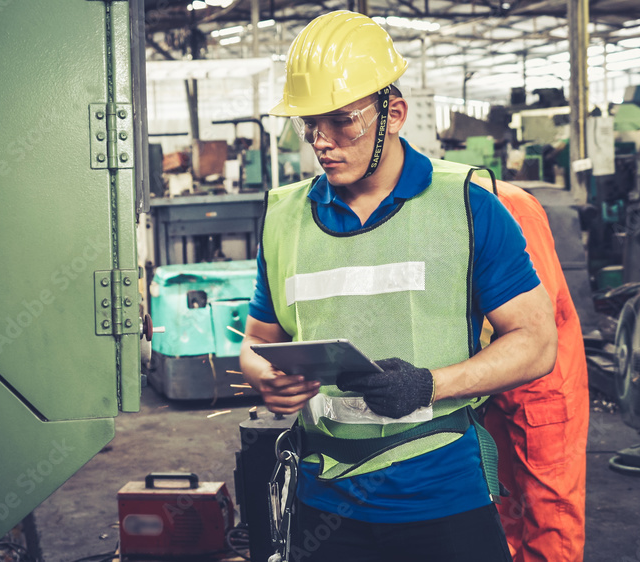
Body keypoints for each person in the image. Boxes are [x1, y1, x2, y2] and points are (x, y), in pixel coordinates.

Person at [240, 10, 557, 562]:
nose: (322, 141)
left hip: (441, 496)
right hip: (324, 499)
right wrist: (266, 378)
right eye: (308, 124)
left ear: (396, 113)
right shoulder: (283, 218)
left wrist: (431, 384)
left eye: (342, 121)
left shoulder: (468, 207)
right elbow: (255, 342)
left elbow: (537, 343)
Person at [479, 179, 590, 562]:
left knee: (550, 511)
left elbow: (533, 311)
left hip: (544, 384)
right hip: (493, 379)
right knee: (503, 501)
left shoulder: (511, 207)